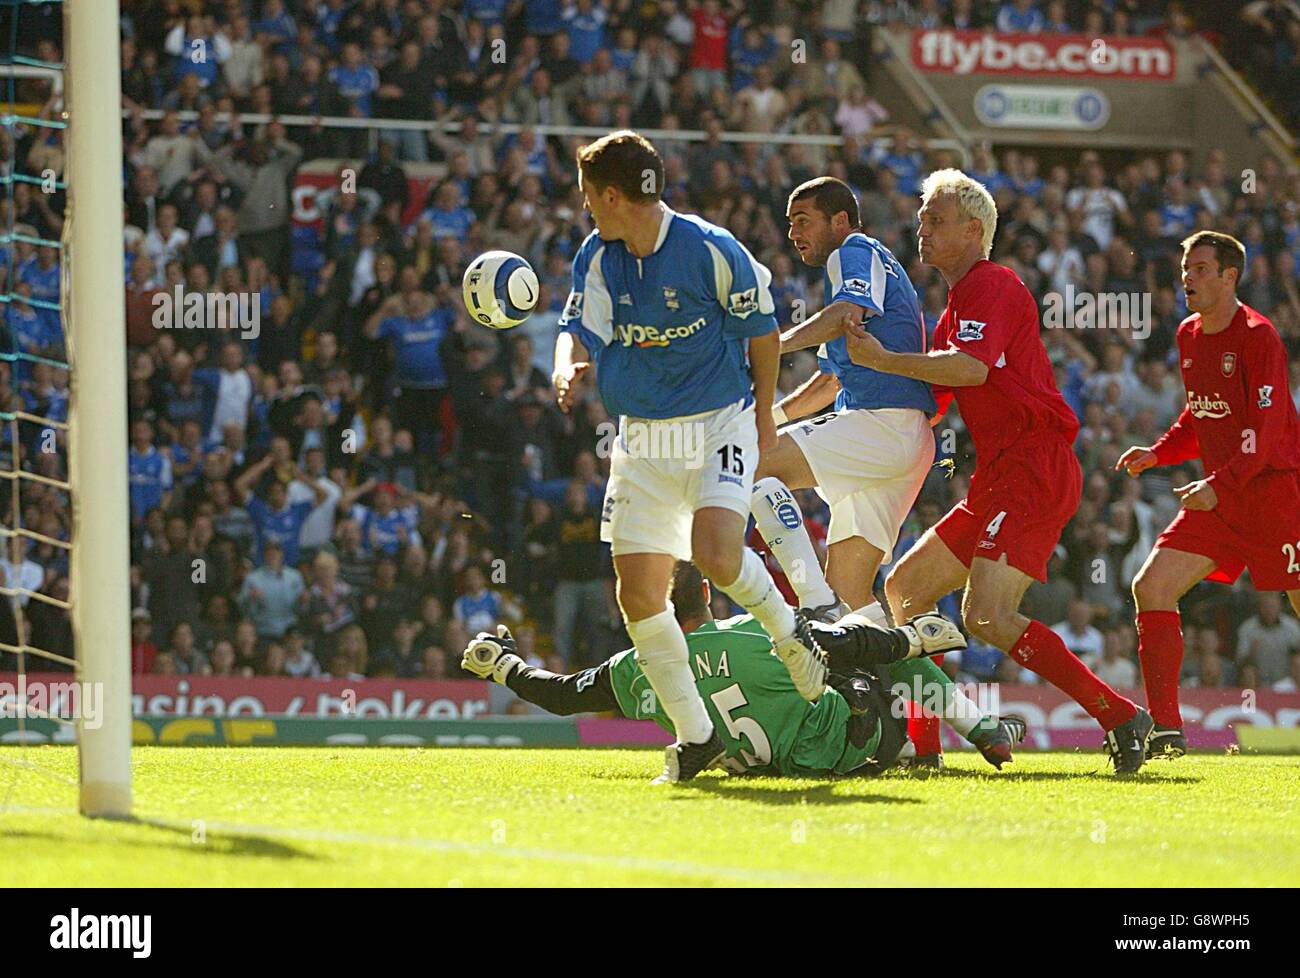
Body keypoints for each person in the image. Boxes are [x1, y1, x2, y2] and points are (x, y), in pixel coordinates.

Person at [845, 169, 1153, 774]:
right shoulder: (957, 306)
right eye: (921, 217)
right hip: (999, 476)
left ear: (974, 229)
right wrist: (855, 406)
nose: (921, 228)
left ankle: (1120, 714)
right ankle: (924, 750)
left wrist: (884, 359)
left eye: (935, 218)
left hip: (1035, 467)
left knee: (984, 615)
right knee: (903, 592)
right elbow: (932, 398)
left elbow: (970, 371)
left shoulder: (996, 285)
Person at [552, 129, 824, 782]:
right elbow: (574, 328)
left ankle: (791, 631)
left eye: (591, 196)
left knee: (716, 555)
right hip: (643, 438)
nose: (587, 208)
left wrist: (761, 416)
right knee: (640, 594)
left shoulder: (711, 250)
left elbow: (762, 334)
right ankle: (696, 737)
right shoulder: (597, 257)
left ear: (613, 196)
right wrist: (566, 368)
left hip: (717, 423)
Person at [461, 562, 1024, 777]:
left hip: (768, 766)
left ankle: (920, 746)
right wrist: (904, 638)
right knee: (876, 635)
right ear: (707, 590)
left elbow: (563, 694)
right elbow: (847, 647)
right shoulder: (754, 629)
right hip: (850, 747)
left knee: (856, 650)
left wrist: (505, 668)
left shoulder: (637, 667)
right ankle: (984, 731)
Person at [1117, 231, 1300, 757]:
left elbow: (1264, 436)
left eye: (1199, 268)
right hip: (1221, 498)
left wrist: (1218, 485)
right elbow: (1202, 415)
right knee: (1151, 587)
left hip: (1270, 496)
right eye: (1184, 267)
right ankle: (1168, 730)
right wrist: (1159, 452)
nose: (1187, 277)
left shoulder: (1260, 337)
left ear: (1229, 277)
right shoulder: (1188, 334)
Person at [753, 176, 936, 633]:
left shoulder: (851, 251)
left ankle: (811, 602)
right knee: (853, 605)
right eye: (789, 223)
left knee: (754, 466)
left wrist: (770, 345)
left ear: (839, 220)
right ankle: (949, 706)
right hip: (905, 442)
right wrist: (770, 419)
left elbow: (845, 315)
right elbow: (828, 384)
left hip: (882, 426)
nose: (793, 233)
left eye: (803, 221)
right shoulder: (871, 265)